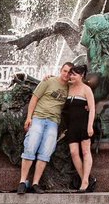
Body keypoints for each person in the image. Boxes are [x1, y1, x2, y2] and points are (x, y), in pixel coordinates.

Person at [17, 62, 73, 194]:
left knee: (45, 152)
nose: (66, 74)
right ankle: (22, 182)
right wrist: (29, 118)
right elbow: (34, 99)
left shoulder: (71, 87)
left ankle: (35, 183)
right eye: (64, 71)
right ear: (61, 70)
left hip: (53, 122)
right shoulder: (48, 81)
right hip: (38, 118)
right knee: (30, 146)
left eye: (69, 72)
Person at [63, 64, 97, 192]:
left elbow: (92, 108)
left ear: (81, 76)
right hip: (71, 126)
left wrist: (90, 126)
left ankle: (85, 182)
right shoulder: (68, 88)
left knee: (85, 152)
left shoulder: (86, 89)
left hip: (83, 124)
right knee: (74, 152)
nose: (71, 76)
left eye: (74, 74)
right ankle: (85, 178)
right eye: (70, 74)